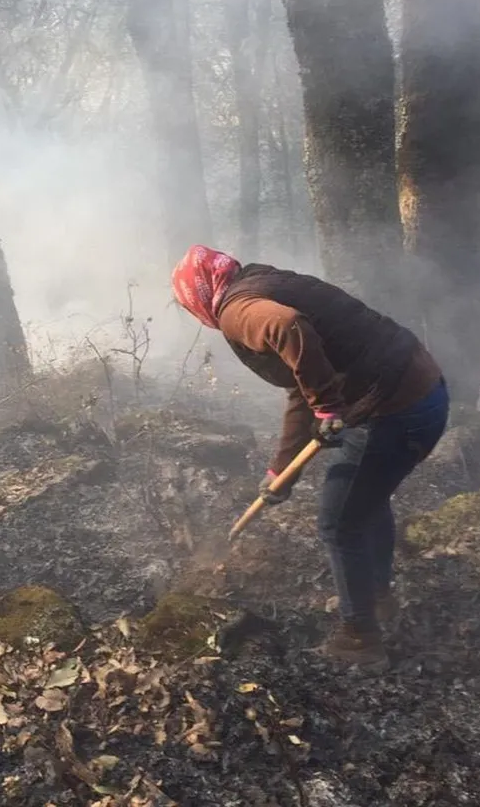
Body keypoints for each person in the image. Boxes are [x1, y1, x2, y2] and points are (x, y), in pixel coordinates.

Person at [171, 245, 449, 667]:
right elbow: (302, 378)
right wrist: (281, 469)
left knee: (339, 524)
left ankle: (360, 639)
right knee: (366, 502)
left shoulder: (236, 309)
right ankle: (376, 598)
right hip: (423, 391)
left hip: (393, 409)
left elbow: (288, 328)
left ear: (198, 298)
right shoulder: (264, 282)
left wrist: (327, 406)